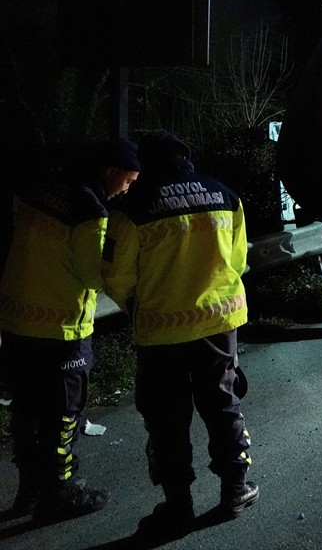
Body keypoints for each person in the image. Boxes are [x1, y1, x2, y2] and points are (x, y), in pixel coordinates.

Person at [104, 131, 258, 539]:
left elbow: (117, 276)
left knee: (167, 419)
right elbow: (239, 259)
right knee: (222, 404)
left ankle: (178, 509)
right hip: (219, 324)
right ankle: (236, 489)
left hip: (161, 330)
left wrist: (136, 304)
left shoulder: (133, 206)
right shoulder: (225, 195)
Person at [0, 138, 140, 521]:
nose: (127, 190)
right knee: (64, 417)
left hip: (15, 322)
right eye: (127, 181)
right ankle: (59, 493)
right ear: (109, 171)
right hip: (62, 330)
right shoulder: (89, 211)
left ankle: (29, 490)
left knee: (26, 412)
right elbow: (93, 275)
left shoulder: (37, 188)